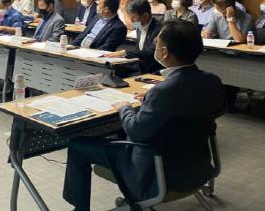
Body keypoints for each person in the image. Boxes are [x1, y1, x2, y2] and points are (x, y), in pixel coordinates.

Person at [63, 20, 225, 211]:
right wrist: (152, 99)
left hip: (158, 171)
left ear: (165, 52)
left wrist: (125, 107)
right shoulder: (212, 81)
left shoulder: (164, 91)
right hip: (197, 166)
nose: (154, 47)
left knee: (78, 145)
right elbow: (209, 108)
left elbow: (136, 131)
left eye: (156, 44)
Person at [105, 0, 163, 74]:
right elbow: (131, 27)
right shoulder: (139, 24)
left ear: (145, 16)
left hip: (152, 70)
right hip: (139, 65)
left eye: (133, 17)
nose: (131, 20)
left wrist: (125, 52)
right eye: (130, 17)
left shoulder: (159, 29)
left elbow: (150, 53)